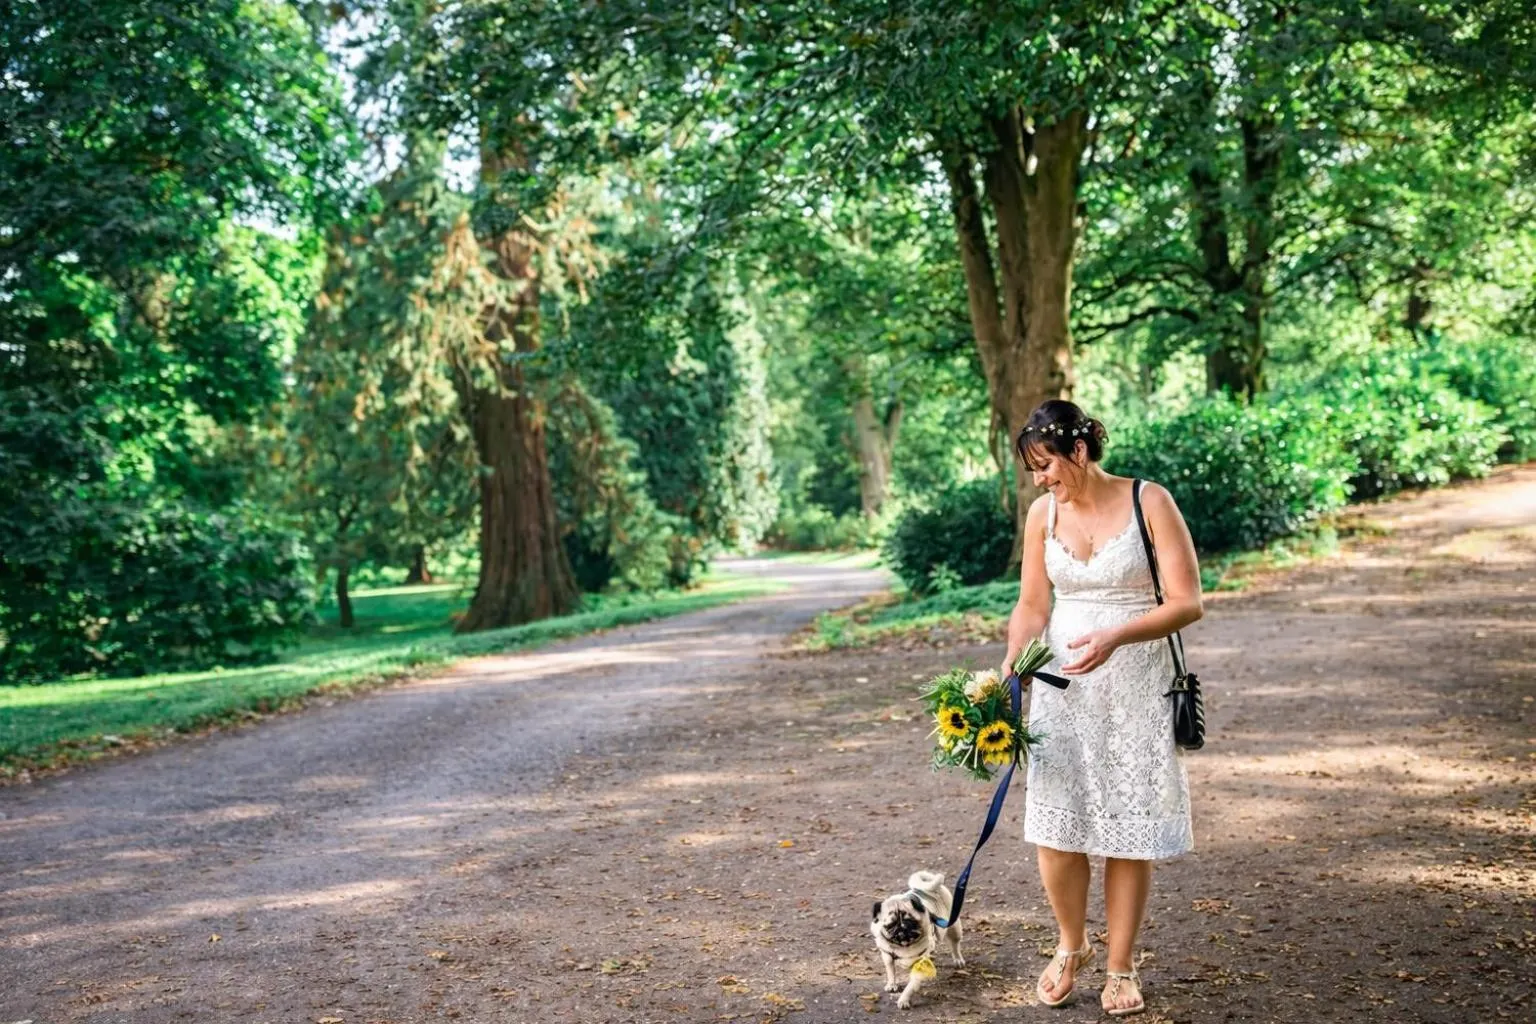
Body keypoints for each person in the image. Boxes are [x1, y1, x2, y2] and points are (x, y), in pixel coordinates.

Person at [998, 399, 1203, 1017]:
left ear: (1079, 452)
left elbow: (1188, 601)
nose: (1041, 479)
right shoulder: (1042, 514)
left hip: (1135, 681)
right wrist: (1015, 662)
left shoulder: (1150, 501)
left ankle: (1120, 963)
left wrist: (1117, 635)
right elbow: (1034, 604)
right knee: (1057, 824)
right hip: (1063, 684)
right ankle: (1070, 946)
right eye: (1033, 469)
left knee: (1125, 825)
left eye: (1047, 465)